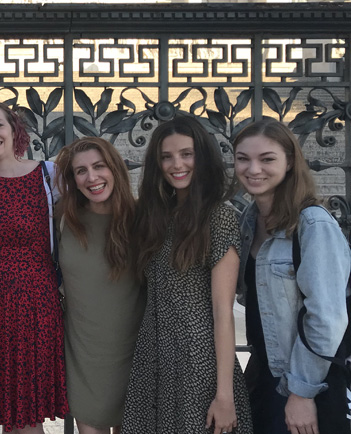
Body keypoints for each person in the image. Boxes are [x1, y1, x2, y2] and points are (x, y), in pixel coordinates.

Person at [122, 115, 252, 434]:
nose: (175, 164)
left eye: (186, 154)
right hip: (152, 356)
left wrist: (224, 396)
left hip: (198, 362)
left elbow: (223, 312)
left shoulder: (218, 218)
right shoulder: (155, 216)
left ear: (202, 156)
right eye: (166, 157)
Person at [233, 118, 351, 434]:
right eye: (243, 158)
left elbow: (326, 319)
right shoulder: (248, 221)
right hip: (264, 379)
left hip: (305, 384)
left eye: (266, 159)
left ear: (288, 163)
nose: (252, 168)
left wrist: (302, 393)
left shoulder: (312, 225)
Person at [0, 102, 68, 433]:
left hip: (37, 302)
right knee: (7, 409)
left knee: (28, 411)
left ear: (14, 130)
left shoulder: (49, 174)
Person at [54, 137, 144, 434]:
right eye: (81, 171)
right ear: (73, 180)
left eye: (98, 166)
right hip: (83, 355)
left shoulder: (142, 219)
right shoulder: (63, 219)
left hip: (135, 353)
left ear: (115, 169)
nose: (91, 177)